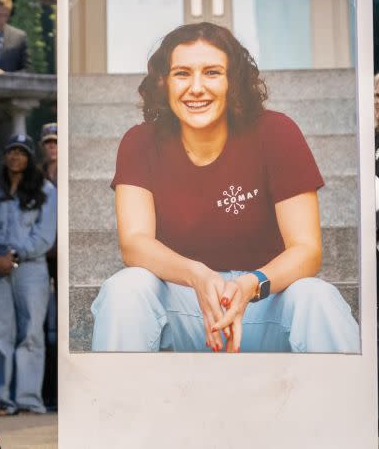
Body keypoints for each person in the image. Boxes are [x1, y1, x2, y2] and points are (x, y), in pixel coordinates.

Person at [91, 22, 360, 353]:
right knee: (125, 289)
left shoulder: (277, 133)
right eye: (182, 74)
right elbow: (135, 245)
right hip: (185, 303)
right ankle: (118, 405)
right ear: (164, 82)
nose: (196, 87)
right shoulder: (140, 141)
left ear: (233, 81)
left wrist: (250, 285)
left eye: (212, 72)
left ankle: (343, 404)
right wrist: (197, 276)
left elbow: (307, 250)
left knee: (318, 297)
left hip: (263, 301)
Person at [0, 134, 56, 416]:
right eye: (11, 151)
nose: (16, 157)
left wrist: (14, 256)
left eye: (22, 152)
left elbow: (45, 235)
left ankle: (28, 398)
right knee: (0, 334)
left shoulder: (45, 190)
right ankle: (4, 398)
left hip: (30, 269)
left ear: (30, 157)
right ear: (5, 155)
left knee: (31, 333)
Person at [38, 122, 58, 409]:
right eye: (48, 143)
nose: (52, 147)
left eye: (56, 142)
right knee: (42, 326)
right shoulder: (37, 176)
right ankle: (47, 390)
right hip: (42, 254)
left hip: (63, 256)